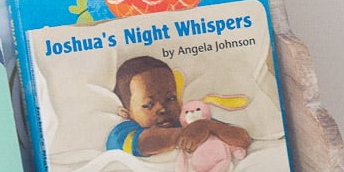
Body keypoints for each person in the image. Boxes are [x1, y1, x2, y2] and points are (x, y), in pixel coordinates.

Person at [106, 56, 251, 158]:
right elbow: (146, 142)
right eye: (149, 105)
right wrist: (184, 135)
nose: (162, 108)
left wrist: (209, 126)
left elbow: (243, 139)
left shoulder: (189, 121)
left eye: (170, 98)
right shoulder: (121, 133)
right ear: (126, 113)